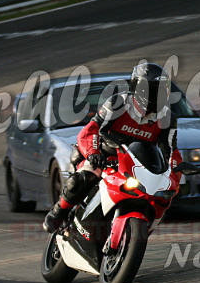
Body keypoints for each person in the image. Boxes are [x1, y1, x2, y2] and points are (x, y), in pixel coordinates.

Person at [43, 63, 182, 233]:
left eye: (161, 90)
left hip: (137, 167)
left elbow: (170, 151)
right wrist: (93, 154)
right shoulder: (118, 103)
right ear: (140, 89)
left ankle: (139, 232)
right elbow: (91, 129)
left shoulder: (167, 117)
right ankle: (58, 213)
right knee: (83, 179)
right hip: (105, 158)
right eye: (154, 90)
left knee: (160, 199)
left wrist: (175, 172)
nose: (158, 95)